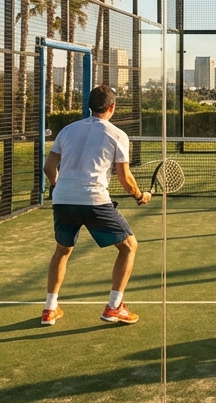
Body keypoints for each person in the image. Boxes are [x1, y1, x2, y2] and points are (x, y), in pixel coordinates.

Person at [41, 85, 151, 326]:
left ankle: (49, 309)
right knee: (129, 247)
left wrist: (58, 186)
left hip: (63, 200)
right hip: (94, 201)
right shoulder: (117, 134)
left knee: (62, 250)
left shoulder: (67, 130)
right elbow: (125, 177)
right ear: (112, 107)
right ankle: (114, 307)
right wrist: (139, 195)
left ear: (90, 106)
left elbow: (48, 168)